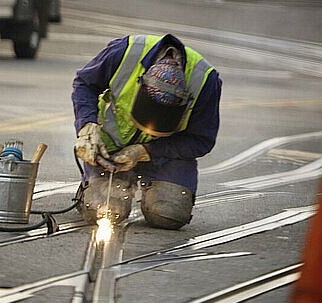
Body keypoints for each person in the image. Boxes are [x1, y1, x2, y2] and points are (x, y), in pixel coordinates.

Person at [72, 34, 221, 229]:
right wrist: (87, 127)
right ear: (141, 84)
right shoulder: (123, 52)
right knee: (100, 211)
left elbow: (202, 140)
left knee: (169, 215)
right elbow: (84, 84)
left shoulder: (206, 81)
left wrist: (145, 152)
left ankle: (157, 191)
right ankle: (92, 186)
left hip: (165, 154)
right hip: (110, 150)